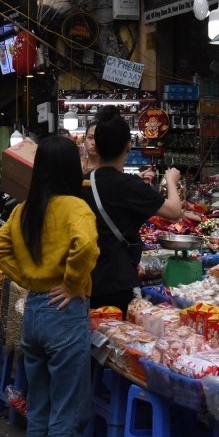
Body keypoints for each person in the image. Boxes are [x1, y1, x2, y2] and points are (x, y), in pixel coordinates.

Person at [0, 136, 100, 437]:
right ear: (70, 168)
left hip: (34, 311)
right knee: (68, 409)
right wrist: (71, 282)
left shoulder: (25, 209)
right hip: (63, 314)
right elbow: (85, 246)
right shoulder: (76, 207)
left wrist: (29, 279)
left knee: (41, 405)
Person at [82, 107, 185, 312]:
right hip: (116, 283)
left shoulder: (84, 182)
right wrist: (170, 180)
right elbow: (175, 212)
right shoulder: (129, 185)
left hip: (85, 281)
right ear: (128, 147)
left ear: (96, 146)